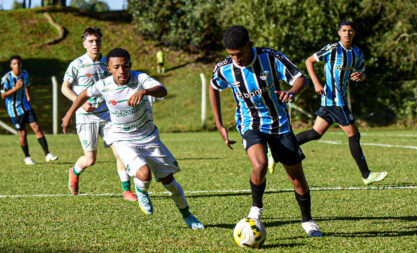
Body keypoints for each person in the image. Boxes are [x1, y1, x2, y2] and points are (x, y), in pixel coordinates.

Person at [62, 48, 205, 230]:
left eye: (125, 66)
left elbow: (162, 90)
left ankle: (187, 215)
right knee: (144, 174)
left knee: (170, 182)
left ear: (130, 66)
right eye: (117, 67)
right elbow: (83, 94)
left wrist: (144, 92)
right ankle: (141, 189)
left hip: (150, 137)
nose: (122, 71)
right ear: (109, 69)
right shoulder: (104, 85)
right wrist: (68, 115)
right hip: (124, 139)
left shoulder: (140, 79)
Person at [209, 25, 322, 237]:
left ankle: (308, 221)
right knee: (259, 164)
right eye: (232, 55)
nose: (237, 59)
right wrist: (219, 124)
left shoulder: (270, 57)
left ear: (250, 45)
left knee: (296, 176)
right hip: (249, 121)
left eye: (240, 54)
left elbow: (300, 78)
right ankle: (256, 207)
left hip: (279, 122)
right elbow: (214, 87)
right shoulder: (224, 68)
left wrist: (292, 91)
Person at [296, 20, 387, 185]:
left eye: (350, 31)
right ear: (339, 33)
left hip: (331, 102)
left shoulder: (357, 52)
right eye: (344, 30)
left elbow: (361, 71)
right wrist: (316, 83)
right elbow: (309, 61)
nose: (347, 33)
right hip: (335, 102)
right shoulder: (332, 49)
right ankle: (366, 175)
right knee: (354, 135)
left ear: (354, 33)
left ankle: (278, 150)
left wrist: (361, 75)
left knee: (315, 133)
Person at [61, 27, 137, 201]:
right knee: (90, 159)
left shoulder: (108, 63)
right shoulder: (77, 64)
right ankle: (73, 171)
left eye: (97, 41)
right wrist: (80, 104)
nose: (95, 44)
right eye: (91, 41)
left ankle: (126, 190)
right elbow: (64, 88)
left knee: (120, 152)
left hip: (108, 116)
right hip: (86, 117)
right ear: (84, 44)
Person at [1, 55, 58, 165]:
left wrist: (28, 95)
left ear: (21, 64)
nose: (17, 66)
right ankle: (27, 157)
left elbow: (27, 85)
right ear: (11, 66)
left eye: (18, 63)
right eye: (14, 64)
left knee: (37, 128)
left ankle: (48, 154)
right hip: (14, 110)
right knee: (23, 133)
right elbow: (3, 95)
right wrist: (16, 88)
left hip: (26, 106)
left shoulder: (25, 74)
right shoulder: (6, 79)